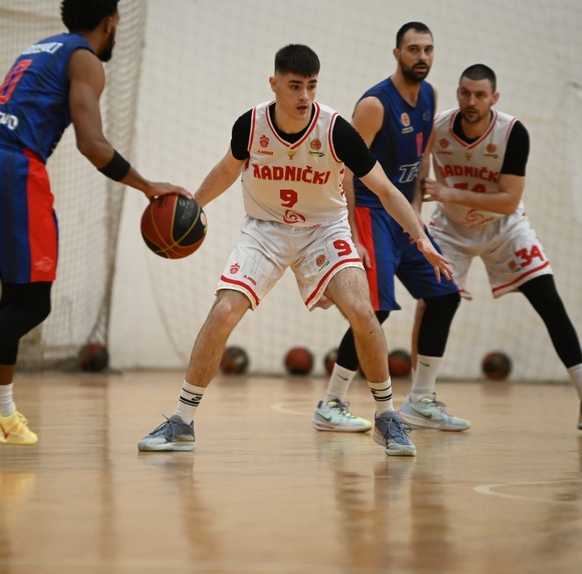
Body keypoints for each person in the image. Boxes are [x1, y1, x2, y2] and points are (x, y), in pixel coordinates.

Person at [0, 0, 189, 456]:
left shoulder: (41, 48)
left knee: (16, 296)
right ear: (109, 21)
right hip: (15, 168)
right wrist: (147, 186)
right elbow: (91, 144)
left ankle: (3, 413)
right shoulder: (85, 58)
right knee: (35, 304)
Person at [137, 44, 452, 456]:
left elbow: (386, 189)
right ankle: (181, 422)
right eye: (295, 86)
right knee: (224, 311)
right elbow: (228, 170)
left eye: (311, 86)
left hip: (324, 230)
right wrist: (193, 207)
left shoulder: (335, 130)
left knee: (363, 309)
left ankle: (387, 416)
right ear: (274, 84)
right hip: (265, 230)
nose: (304, 96)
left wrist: (420, 237)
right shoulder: (250, 125)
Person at [421, 64, 582, 431]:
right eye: (465, 93)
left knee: (548, 298)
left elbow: (509, 201)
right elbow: (418, 177)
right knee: (438, 302)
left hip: (504, 228)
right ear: (457, 93)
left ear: (494, 98)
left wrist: (448, 192)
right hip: (451, 229)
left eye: (480, 95)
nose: (471, 101)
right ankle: (421, 400)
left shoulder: (512, 132)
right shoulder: (436, 127)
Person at [314, 22, 467, 434]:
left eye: (428, 49)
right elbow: (344, 170)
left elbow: (422, 158)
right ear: (397, 53)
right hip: (371, 211)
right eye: (413, 49)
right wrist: (352, 234)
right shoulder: (374, 105)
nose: (422, 56)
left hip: (403, 215)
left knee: (445, 295)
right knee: (374, 308)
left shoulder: (430, 94)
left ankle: (420, 400)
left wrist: (415, 215)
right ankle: (331, 402)